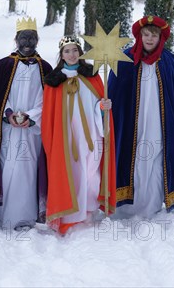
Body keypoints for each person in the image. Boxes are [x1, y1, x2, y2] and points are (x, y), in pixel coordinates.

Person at [108, 15, 174, 219]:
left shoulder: (169, 62)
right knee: (132, 156)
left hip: (159, 123)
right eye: (145, 34)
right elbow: (114, 92)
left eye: (153, 36)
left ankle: (151, 206)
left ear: (160, 38)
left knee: (156, 158)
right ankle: (126, 208)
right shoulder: (124, 60)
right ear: (139, 36)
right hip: (132, 124)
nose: (149, 39)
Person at [0, 18, 52, 230]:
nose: (27, 42)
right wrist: (8, 114)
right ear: (16, 39)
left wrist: (32, 117)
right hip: (6, 130)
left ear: (37, 40)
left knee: (28, 170)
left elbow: (49, 101)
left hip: (33, 132)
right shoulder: (2, 66)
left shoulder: (46, 68)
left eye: (32, 38)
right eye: (24, 37)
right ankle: (4, 211)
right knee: (8, 168)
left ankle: (25, 217)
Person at [42, 35, 116, 234]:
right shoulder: (53, 81)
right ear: (61, 55)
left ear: (80, 53)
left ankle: (89, 209)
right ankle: (70, 215)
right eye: (67, 51)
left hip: (91, 134)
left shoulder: (91, 76)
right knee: (71, 172)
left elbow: (97, 102)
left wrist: (102, 107)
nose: (72, 54)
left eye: (75, 50)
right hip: (66, 138)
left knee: (91, 171)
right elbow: (49, 115)